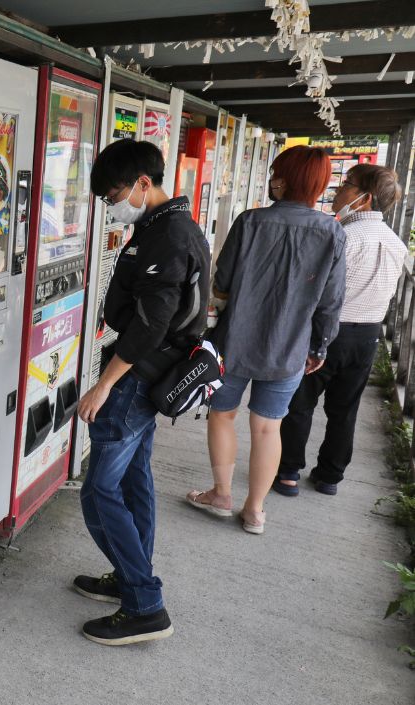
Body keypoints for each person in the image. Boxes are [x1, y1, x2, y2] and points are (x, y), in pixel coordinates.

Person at [73, 139, 210, 646]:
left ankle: (144, 604)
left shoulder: (168, 236)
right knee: (134, 481)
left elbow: (151, 325)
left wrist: (104, 385)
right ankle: (130, 574)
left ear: (143, 184)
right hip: (150, 374)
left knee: (98, 492)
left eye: (114, 195)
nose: (112, 205)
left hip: (136, 377)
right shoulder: (165, 226)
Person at [186, 146, 346, 534]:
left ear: (284, 180)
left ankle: (221, 493)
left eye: (276, 173)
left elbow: (222, 282)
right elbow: (331, 301)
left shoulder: (250, 221)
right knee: (268, 427)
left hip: (233, 341)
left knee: (222, 414)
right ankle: (255, 511)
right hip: (289, 347)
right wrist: (319, 346)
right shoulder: (332, 233)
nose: (272, 179)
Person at [275, 165, 407, 496]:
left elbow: (313, 288)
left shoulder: (341, 236)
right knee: (345, 409)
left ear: (365, 198)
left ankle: (288, 471)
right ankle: (330, 476)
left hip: (327, 331)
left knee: (300, 402)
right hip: (367, 335)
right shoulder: (396, 243)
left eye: (347, 184)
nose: (338, 189)